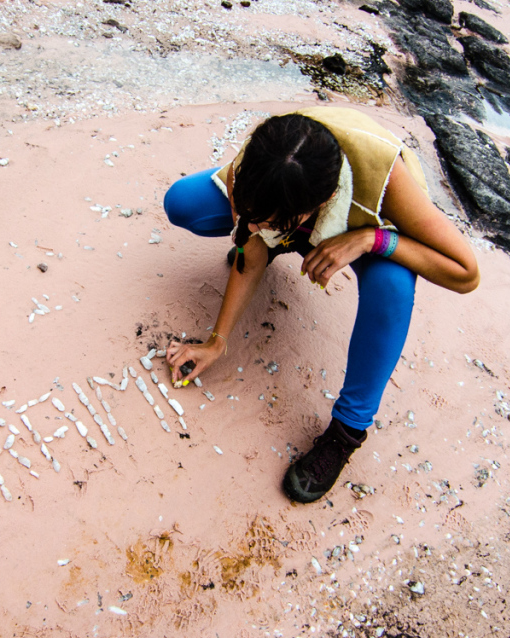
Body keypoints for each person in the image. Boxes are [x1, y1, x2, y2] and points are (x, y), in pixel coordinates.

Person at [162, 107, 479, 504]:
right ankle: (288, 237)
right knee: (183, 202)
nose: (253, 226)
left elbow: (466, 274)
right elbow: (250, 246)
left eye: (269, 222)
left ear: (323, 205)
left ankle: (347, 430)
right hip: (294, 201)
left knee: (393, 287)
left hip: (368, 222)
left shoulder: (388, 181)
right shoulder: (263, 154)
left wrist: (369, 241)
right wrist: (217, 341)